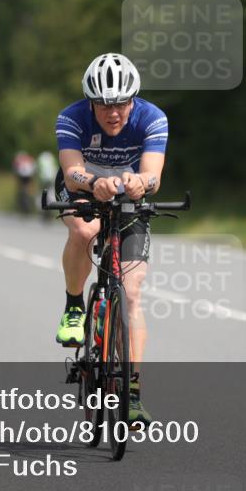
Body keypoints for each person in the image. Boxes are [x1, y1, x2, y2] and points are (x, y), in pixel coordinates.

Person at [53, 52, 168, 426]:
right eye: (103, 104)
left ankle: (132, 393)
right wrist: (93, 182)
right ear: (90, 101)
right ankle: (74, 306)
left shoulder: (153, 118)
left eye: (121, 103)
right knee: (85, 229)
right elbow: (71, 172)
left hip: (129, 193)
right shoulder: (71, 117)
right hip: (84, 187)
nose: (113, 112)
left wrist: (141, 182)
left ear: (133, 99)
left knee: (131, 293)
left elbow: (154, 176)